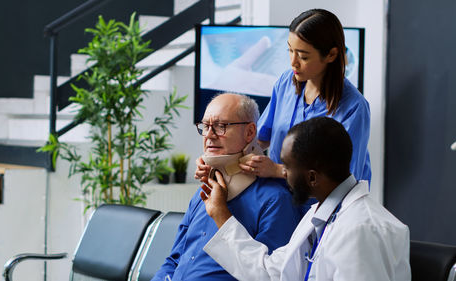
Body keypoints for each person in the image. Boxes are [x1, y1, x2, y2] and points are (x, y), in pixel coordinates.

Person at [201, 117, 411, 281]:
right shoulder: (322, 214)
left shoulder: (361, 229)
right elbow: (271, 272)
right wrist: (221, 215)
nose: (283, 173)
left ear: (311, 177)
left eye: (288, 167)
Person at [196, 9, 371, 186]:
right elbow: (260, 138)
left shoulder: (354, 108)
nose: (293, 62)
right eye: (290, 50)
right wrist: (215, 161)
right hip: (278, 197)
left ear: (331, 55)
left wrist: (279, 170)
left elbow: (344, 179)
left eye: (303, 56)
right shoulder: (286, 83)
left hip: (322, 208)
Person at [151, 93, 302, 281]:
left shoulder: (275, 200)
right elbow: (173, 261)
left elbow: (270, 276)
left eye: (221, 126)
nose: (209, 135)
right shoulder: (203, 193)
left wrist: (221, 213)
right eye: (205, 126)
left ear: (249, 132)